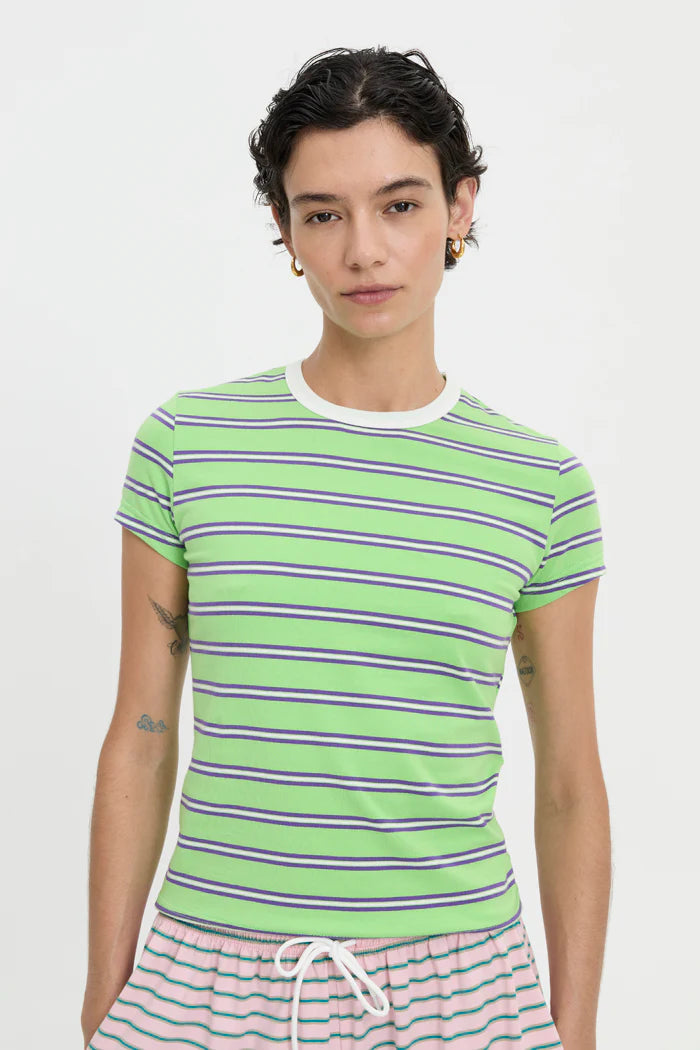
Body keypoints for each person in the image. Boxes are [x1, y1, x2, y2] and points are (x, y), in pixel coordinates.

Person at [82, 45, 611, 1050]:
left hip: (464, 997)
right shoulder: (189, 446)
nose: (364, 250)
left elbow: (570, 780)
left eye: (399, 205)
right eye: (322, 214)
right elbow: (141, 737)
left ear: (459, 208)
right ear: (285, 230)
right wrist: (104, 1002)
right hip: (207, 984)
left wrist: (574, 1029)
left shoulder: (538, 484)